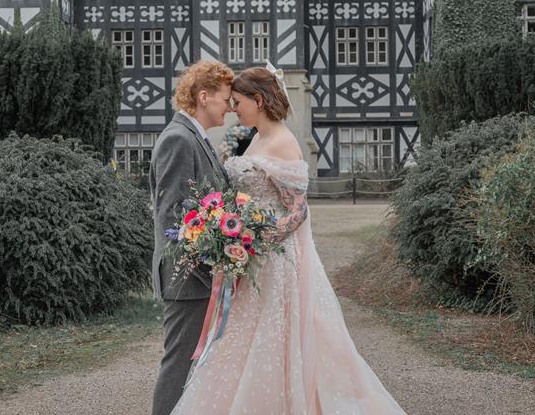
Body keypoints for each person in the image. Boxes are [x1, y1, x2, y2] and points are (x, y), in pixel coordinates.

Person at [169, 64, 406, 414]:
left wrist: (258, 238)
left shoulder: (283, 141)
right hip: (250, 262)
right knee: (239, 343)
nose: (234, 108)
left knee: (274, 341)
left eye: (238, 101)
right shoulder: (254, 139)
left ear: (259, 101)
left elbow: (298, 211)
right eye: (230, 102)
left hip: (272, 262)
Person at [149, 60, 234, 415]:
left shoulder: (195, 138)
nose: (230, 107)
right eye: (225, 99)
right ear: (203, 97)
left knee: (194, 368)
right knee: (179, 365)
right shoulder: (178, 140)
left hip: (200, 276)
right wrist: (209, 260)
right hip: (188, 277)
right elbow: (174, 216)